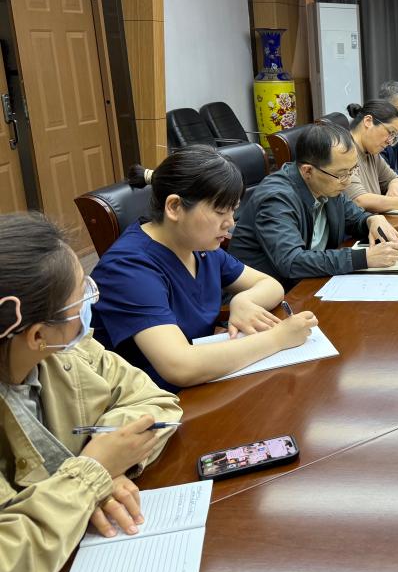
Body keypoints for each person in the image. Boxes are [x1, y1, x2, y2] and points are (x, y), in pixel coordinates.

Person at [0, 212, 182, 572]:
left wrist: (106, 463)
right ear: (37, 334)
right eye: (81, 296)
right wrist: (92, 473)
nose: (89, 302)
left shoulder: (66, 351)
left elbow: (154, 400)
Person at [90, 145, 318, 391]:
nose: (230, 223)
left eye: (232, 211)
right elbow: (180, 366)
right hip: (150, 400)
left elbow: (270, 285)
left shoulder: (199, 246)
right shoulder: (128, 268)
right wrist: (277, 338)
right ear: (174, 207)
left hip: (202, 384)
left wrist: (243, 301)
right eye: (220, 212)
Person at [230, 121, 398, 292]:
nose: (347, 181)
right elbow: (291, 262)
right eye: (342, 174)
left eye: (352, 171)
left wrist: (371, 220)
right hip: (264, 298)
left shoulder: (328, 184)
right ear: (307, 171)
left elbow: (354, 217)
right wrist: (362, 258)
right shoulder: (276, 198)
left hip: (310, 285)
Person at [344, 100, 398, 213]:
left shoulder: (371, 151)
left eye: (394, 137)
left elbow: (394, 178)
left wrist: (394, 187)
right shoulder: (344, 151)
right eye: (390, 132)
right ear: (368, 121)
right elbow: (359, 200)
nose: (390, 142)